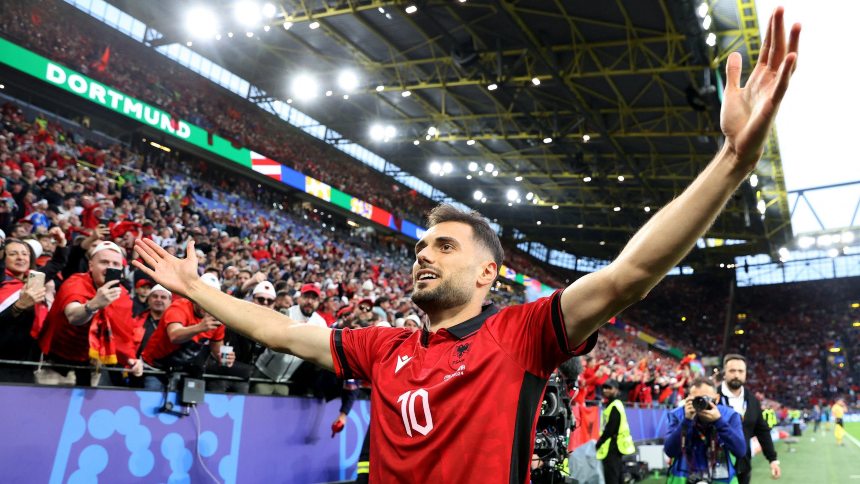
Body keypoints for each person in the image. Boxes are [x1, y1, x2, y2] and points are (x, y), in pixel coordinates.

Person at [131, 12, 800, 481]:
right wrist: (196, 290)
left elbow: (633, 272)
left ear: (487, 273)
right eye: (421, 244)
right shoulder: (382, 348)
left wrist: (732, 164)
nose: (422, 254)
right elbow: (279, 331)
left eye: (443, 246)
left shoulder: (523, 335)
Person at [37, 241, 139, 386]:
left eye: (116, 264)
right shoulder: (76, 282)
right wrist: (94, 304)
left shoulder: (122, 295)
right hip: (57, 361)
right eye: (104, 262)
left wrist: (131, 359)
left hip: (91, 364)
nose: (110, 267)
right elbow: (73, 316)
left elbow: (123, 334)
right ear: (91, 265)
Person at [140, 273, 235, 391]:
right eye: (203, 297)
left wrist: (223, 357)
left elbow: (216, 349)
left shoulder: (217, 318)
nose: (206, 303)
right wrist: (200, 327)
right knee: (151, 403)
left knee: (189, 405)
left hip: (183, 369)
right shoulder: (179, 307)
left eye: (211, 299)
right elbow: (174, 336)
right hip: (155, 367)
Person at [665, 377, 746, 483]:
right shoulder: (678, 415)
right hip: (684, 478)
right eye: (696, 399)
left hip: (721, 479)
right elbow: (670, 451)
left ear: (716, 399)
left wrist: (719, 422)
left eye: (705, 398)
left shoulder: (730, 415)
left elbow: (740, 450)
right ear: (688, 399)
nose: (700, 403)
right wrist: (687, 421)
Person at [252, 283, 327, 395]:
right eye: (306, 297)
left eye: (314, 298)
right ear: (299, 298)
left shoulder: (320, 323)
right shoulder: (287, 313)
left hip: (286, 380)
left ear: (318, 302)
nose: (310, 302)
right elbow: (272, 341)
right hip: (264, 372)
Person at [717, 354, 780, 482]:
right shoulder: (713, 397)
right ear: (724, 373)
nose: (736, 375)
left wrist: (772, 459)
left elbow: (763, 431)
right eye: (732, 370)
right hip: (716, 465)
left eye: (740, 371)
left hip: (743, 467)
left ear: (745, 374)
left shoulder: (752, 401)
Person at [0, 238, 48, 382]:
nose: (20, 257)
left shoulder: (34, 284)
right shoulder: (2, 284)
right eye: (13, 254)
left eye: (25, 254)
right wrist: (18, 307)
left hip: (27, 363)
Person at [596, 380, 635, 484]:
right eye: (604, 388)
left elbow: (611, 428)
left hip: (612, 445)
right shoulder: (614, 404)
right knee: (617, 476)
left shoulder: (614, 405)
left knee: (612, 477)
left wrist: (599, 443)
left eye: (609, 388)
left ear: (616, 389)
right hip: (615, 445)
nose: (605, 390)